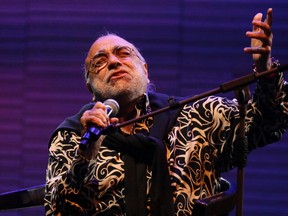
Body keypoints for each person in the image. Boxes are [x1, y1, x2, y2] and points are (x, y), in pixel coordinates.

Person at [44, 8, 288, 215]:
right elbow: (57, 210)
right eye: (99, 62)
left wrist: (265, 70)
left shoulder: (195, 116)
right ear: (90, 87)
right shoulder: (73, 136)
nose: (114, 62)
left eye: (123, 53)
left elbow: (272, 120)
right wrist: (85, 156)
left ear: (145, 70)